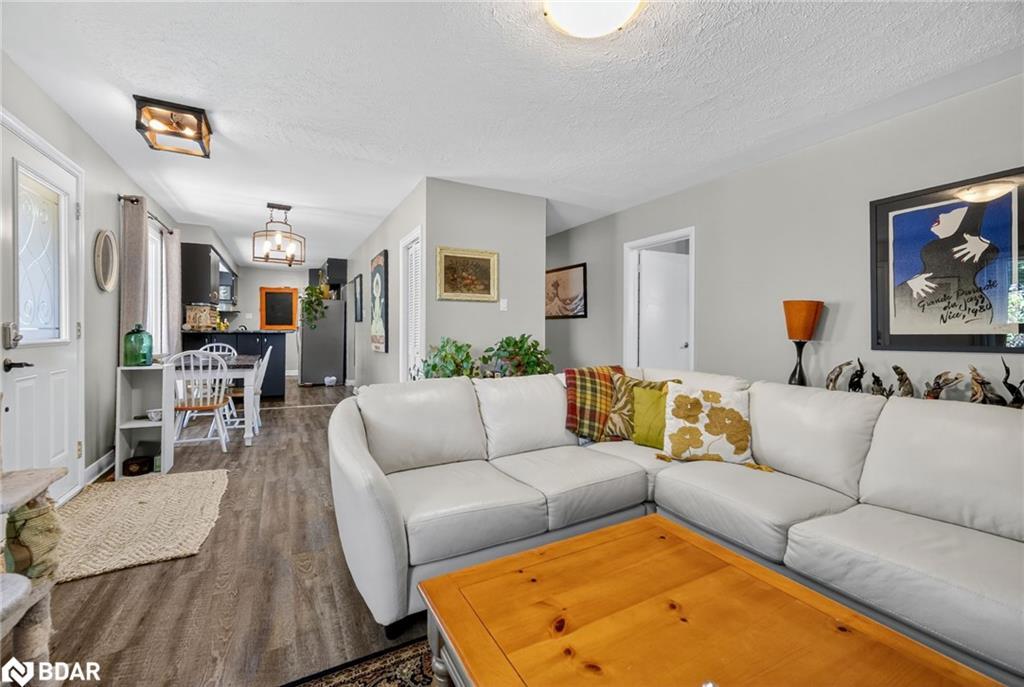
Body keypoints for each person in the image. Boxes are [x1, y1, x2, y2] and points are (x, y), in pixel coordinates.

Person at [893, 202, 999, 332]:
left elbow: (991, 253)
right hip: (923, 303)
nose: (941, 214)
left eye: (950, 213)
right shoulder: (927, 244)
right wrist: (911, 283)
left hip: (965, 305)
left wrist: (984, 244)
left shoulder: (971, 243)